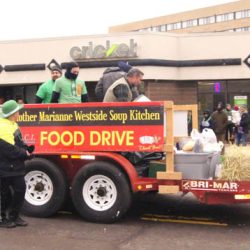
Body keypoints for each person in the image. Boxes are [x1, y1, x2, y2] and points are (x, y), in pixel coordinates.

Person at [0, 100, 34, 228]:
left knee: (20, 189)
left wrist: (27, 149)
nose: (19, 113)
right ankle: (2, 219)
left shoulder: (13, 124)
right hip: (5, 167)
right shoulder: (2, 127)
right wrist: (24, 154)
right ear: (12, 114)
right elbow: (9, 149)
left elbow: (18, 142)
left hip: (15, 166)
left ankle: (14, 216)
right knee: (3, 194)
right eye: (17, 111)